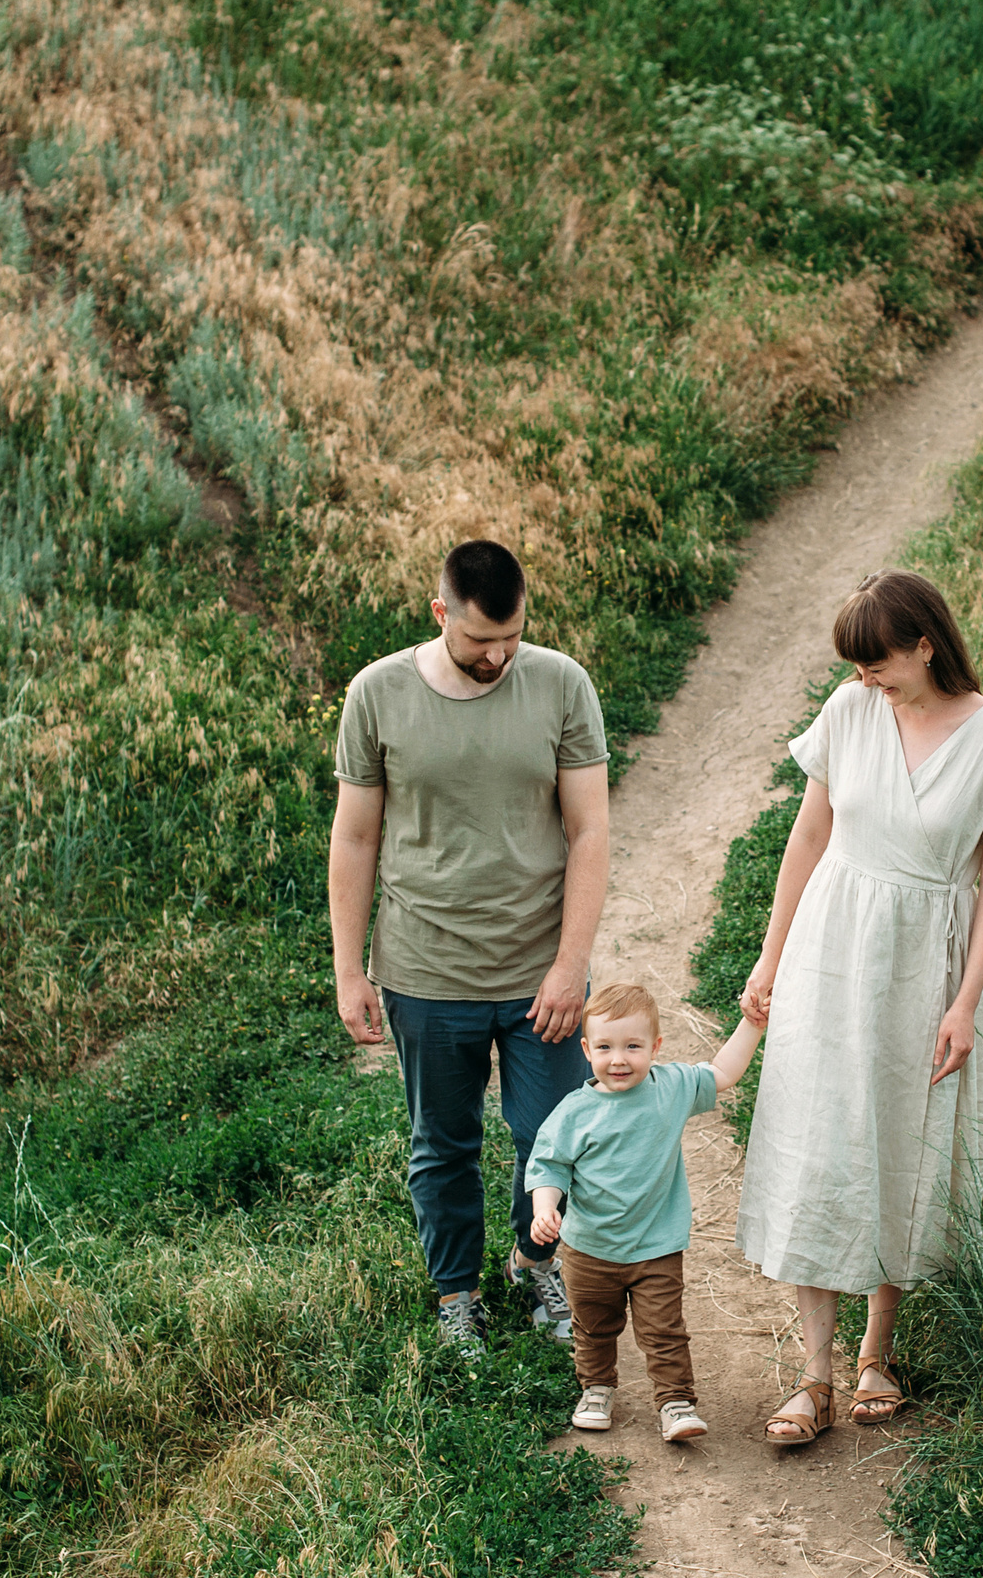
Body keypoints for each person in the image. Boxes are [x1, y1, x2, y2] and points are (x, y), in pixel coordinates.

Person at [734, 569, 983, 1445]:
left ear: (924, 644)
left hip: (928, 960)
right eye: (857, 668)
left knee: (897, 1142)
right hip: (833, 945)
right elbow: (809, 834)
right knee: (821, 1139)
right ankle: (814, 1375)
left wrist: (965, 1000)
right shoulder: (849, 711)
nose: (866, 681)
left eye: (880, 665)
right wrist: (771, 957)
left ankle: (878, 1353)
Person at [329, 538, 609, 1354]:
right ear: (439, 612)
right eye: (480, 640)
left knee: (554, 1137)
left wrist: (569, 965)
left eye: (511, 638)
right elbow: (354, 839)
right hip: (425, 968)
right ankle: (457, 1297)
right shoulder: (377, 693)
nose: (497, 657)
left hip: (539, 971)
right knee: (442, 1145)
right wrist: (351, 970)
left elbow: (590, 830)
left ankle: (533, 1262)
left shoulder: (561, 684)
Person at [526, 982, 767, 1443]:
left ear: (655, 1047)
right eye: (605, 1047)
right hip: (589, 1250)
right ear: (586, 1050)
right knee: (594, 1328)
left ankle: (675, 1402)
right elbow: (549, 1166)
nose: (619, 1059)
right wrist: (545, 1208)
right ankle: (596, 1389)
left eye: (633, 1047)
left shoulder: (671, 1088)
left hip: (656, 1246)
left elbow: (722, 1072)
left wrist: (752, 1025)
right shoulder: (575, 1112)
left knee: (664, 1331)